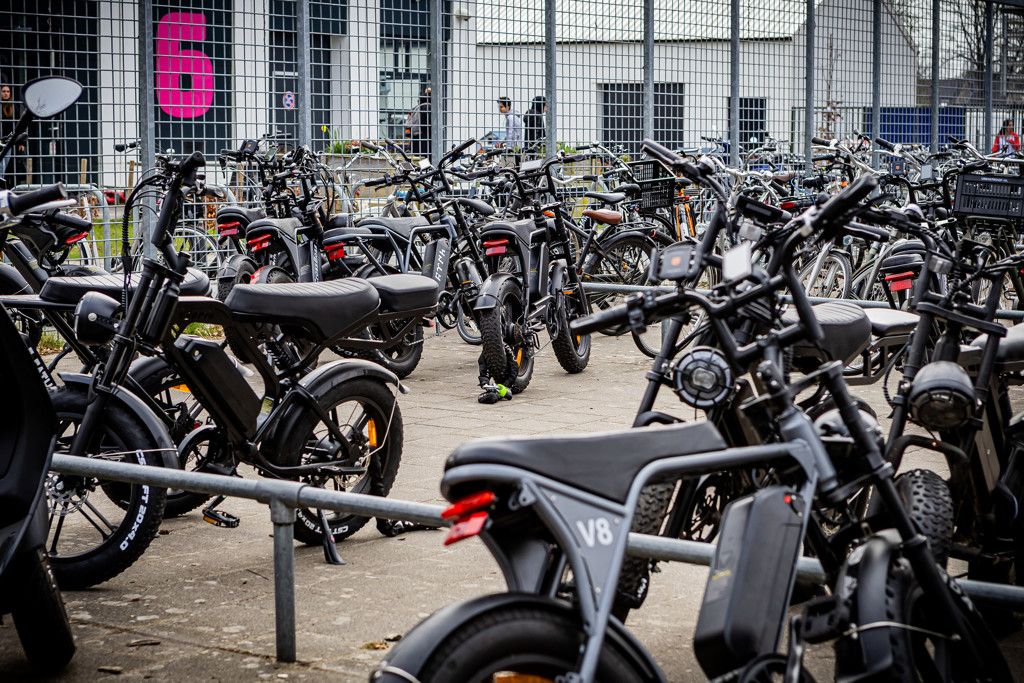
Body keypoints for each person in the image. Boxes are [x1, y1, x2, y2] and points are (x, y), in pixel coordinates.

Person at [0, 82, 24, 188]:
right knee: (1, 166)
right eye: (3, 91)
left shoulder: (13, 107)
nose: (6, 93)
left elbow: (20, 125)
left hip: (8, 142)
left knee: (6, 165)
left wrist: (21, 142)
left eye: (8, 91)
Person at [405, 86, 432, 157]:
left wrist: (409, 135)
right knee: (428, 160)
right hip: (427, 140)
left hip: (416, 139)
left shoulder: (415, 108)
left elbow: (408, 126)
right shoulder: (430, 107)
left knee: (420, 160)